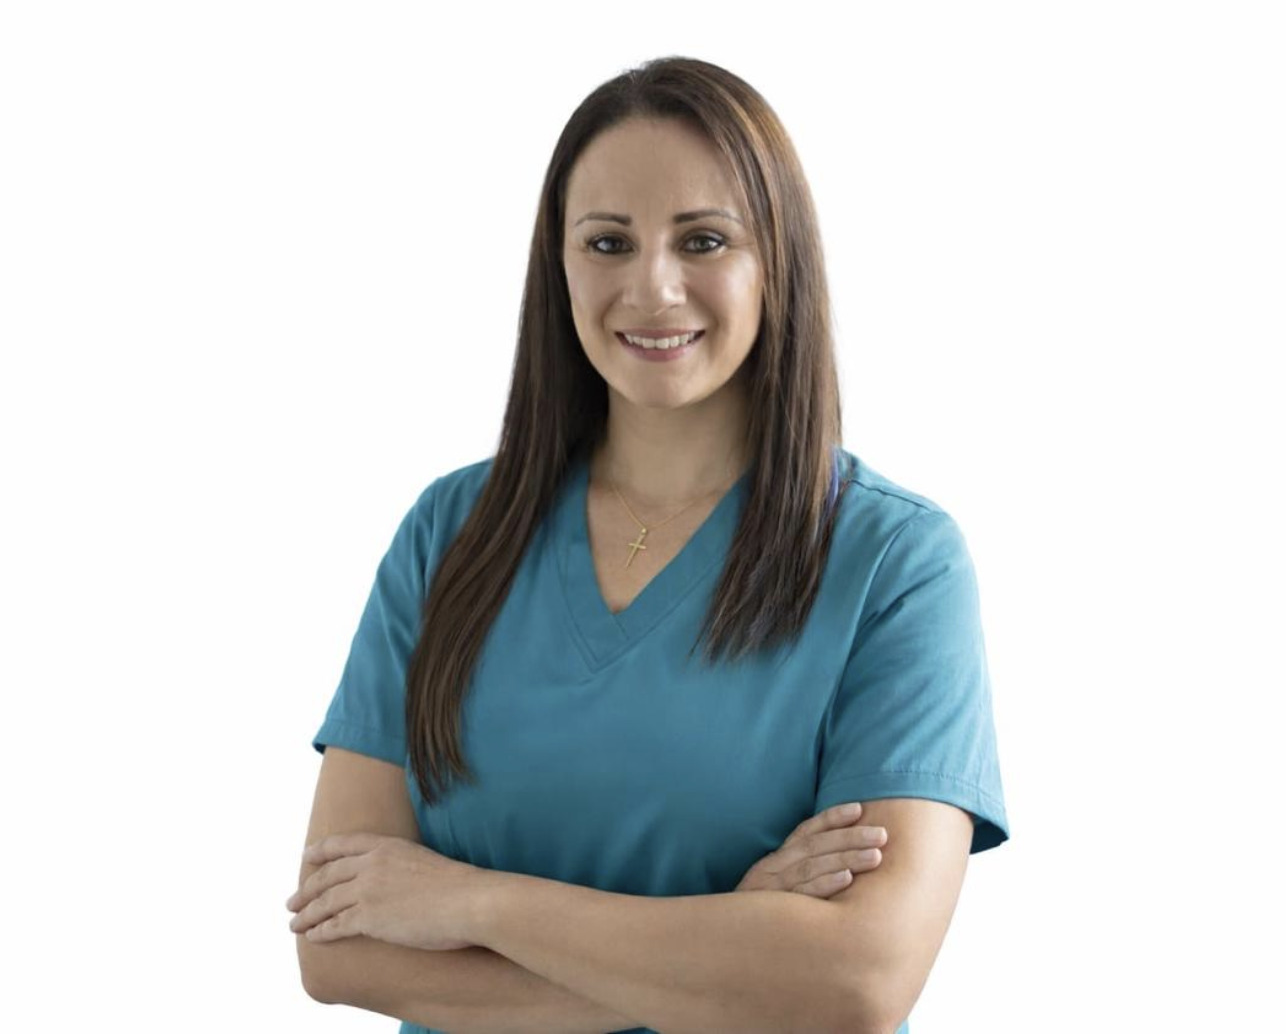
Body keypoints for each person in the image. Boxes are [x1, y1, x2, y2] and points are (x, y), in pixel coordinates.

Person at [286, 55, 1009, 1034]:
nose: (653, 288)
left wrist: (467, 903)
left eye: (703, 240)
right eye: (608, 242)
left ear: (777, 260)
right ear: (559, 265)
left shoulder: (896, 564)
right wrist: (736, 940)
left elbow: (859, 981)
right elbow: (337, 947)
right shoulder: (448, 534)